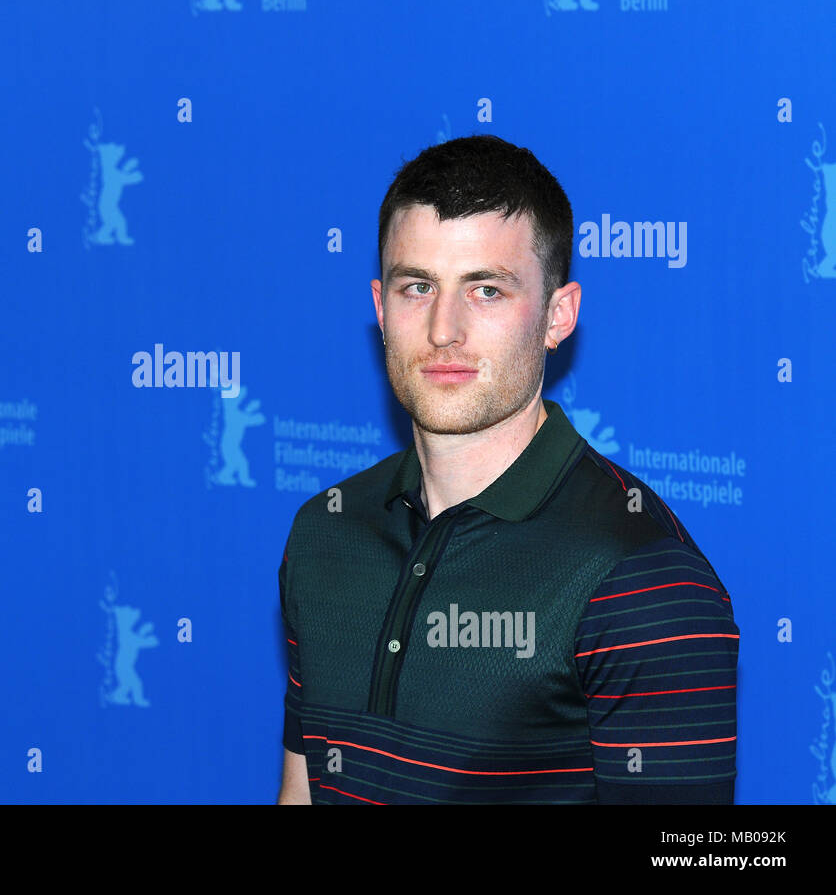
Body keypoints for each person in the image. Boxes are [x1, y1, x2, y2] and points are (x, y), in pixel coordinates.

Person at [276, 134, 738, 804]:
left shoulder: (641, 576)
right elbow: (306, 790)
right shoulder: (324, 531)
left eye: (486, 289)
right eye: (417, 286)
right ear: (380, 308)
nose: (443, 328)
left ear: (558, 315)